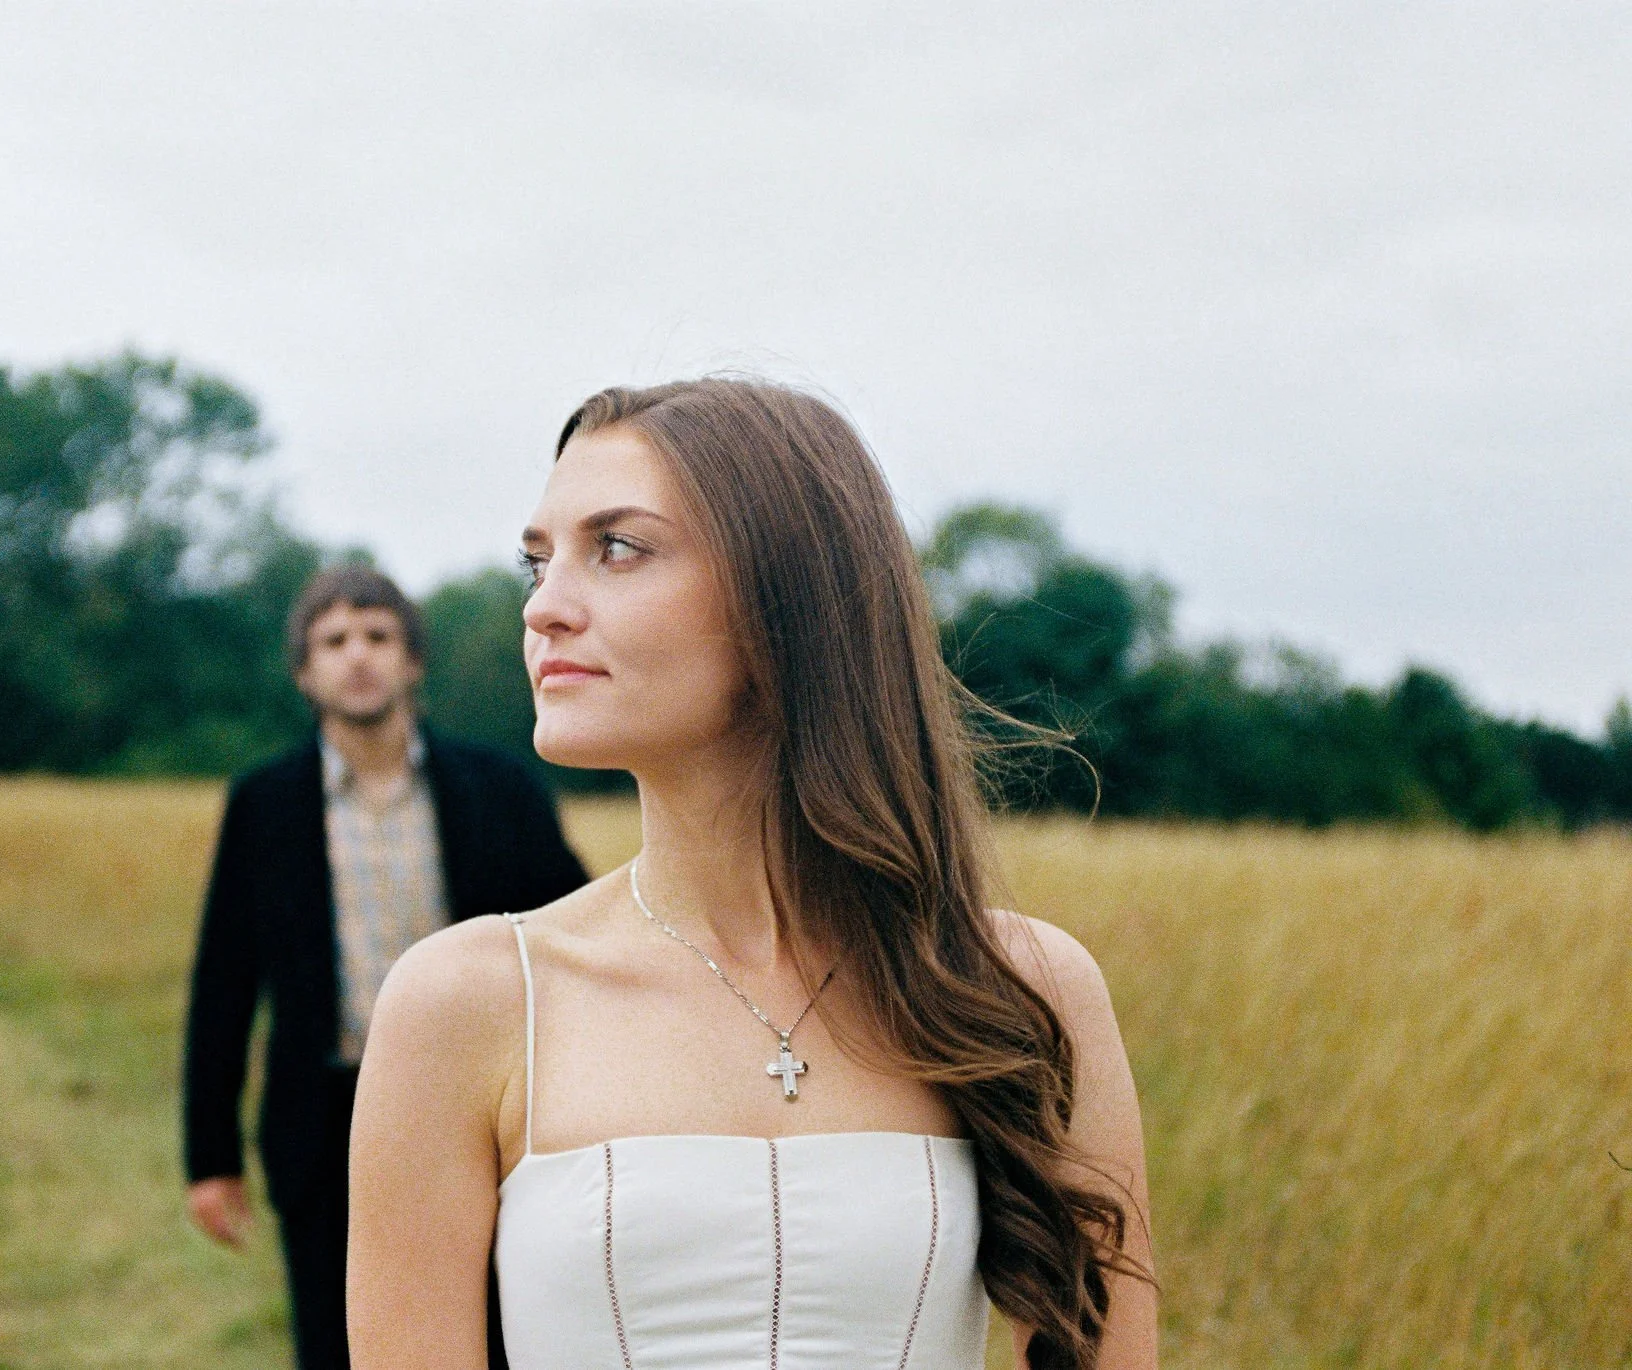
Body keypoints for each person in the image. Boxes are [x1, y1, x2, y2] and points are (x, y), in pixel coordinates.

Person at [346, 380, 1158, 1370]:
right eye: (536, 561)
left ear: (788, 599)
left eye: (616, 546)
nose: (545, 607)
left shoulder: (1022, 985)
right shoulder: (466, 998)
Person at [182, 565, 590, 1370]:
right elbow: (224, 983)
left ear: (412, 660)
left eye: (378, 636)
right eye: (333, 641)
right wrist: (212, 1159)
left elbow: (576, 940)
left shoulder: (499, 787)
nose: (357, 656)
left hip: (486, 1113)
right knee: (340, 1344)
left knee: (503, 1337)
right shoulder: (264, 803)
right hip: (324, 1115)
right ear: (305, 671)